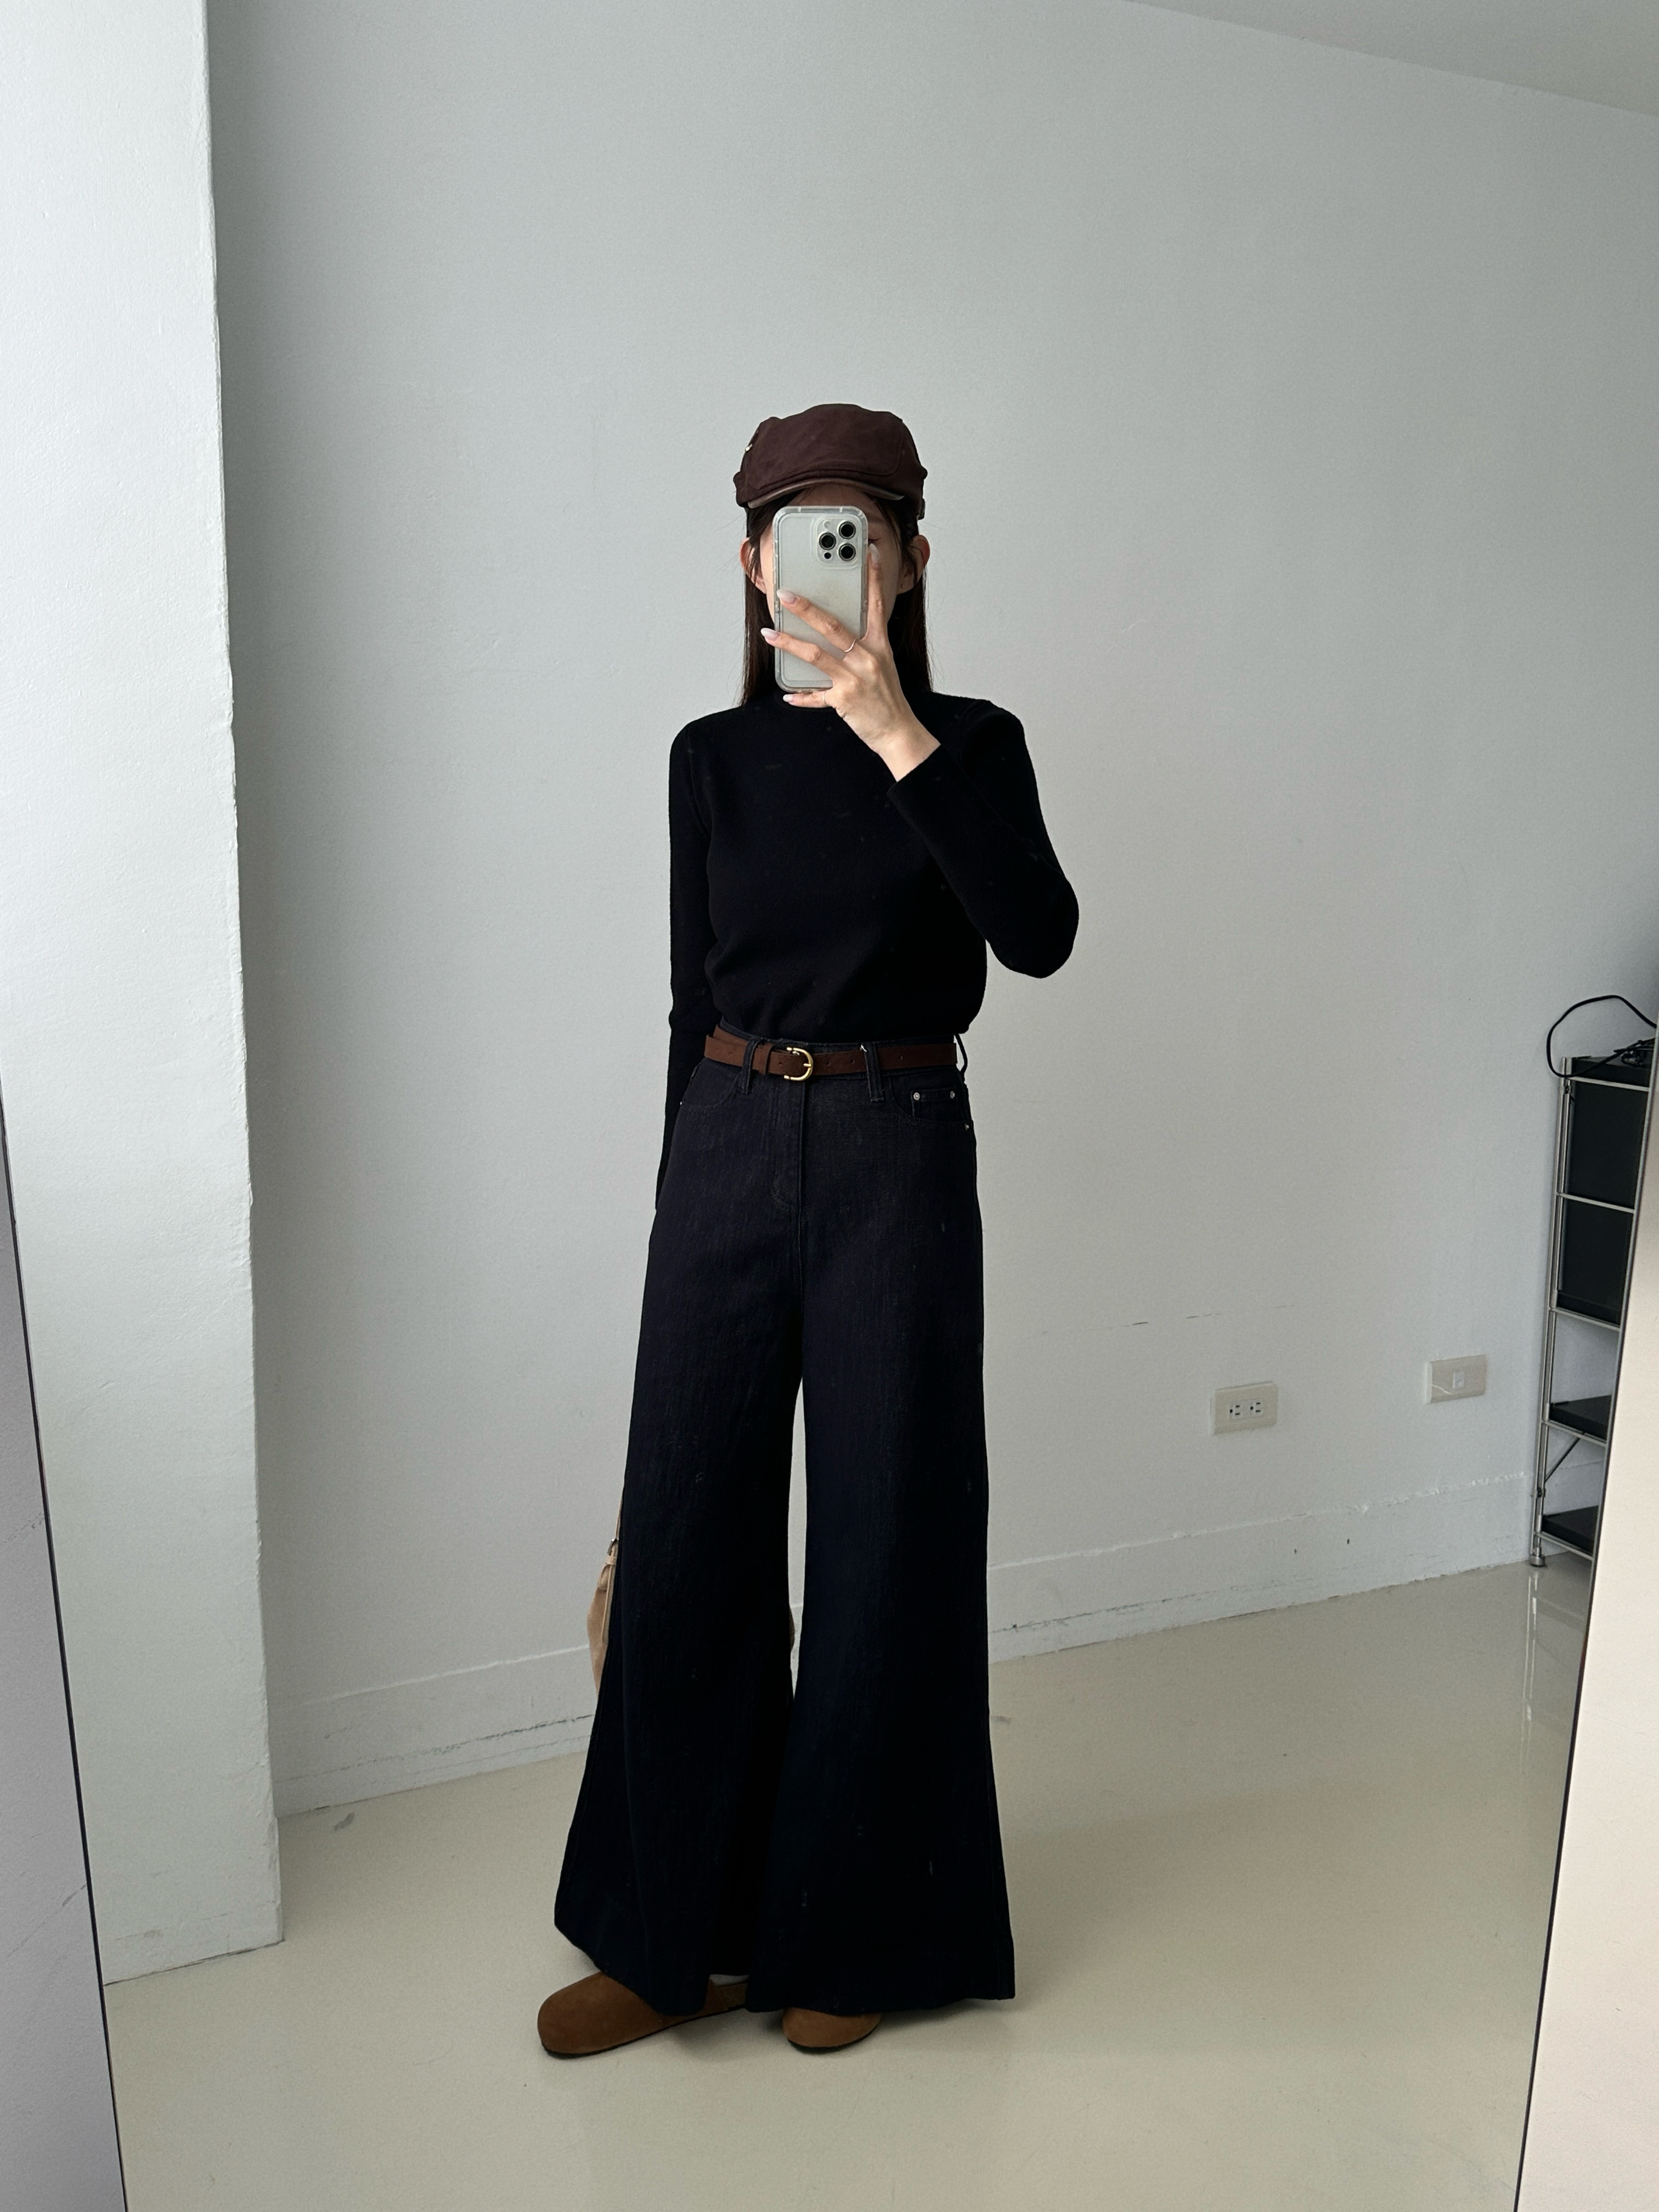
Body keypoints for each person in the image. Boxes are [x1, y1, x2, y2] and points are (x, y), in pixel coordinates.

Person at [538, 403, 1079, 2058]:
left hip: (894, 1143)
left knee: (886, 1530)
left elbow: (1039, 935)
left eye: (862, 529)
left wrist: (898, 733)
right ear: (754, 564)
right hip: (723, 1136)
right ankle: (672, 1942)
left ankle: (859, 1930)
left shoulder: (971, 744)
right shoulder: (711, 759)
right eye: (797, 532)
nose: (831, 556)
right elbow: (687, 996)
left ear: (909, 560)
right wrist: (676, 1196)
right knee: (687, 1528)